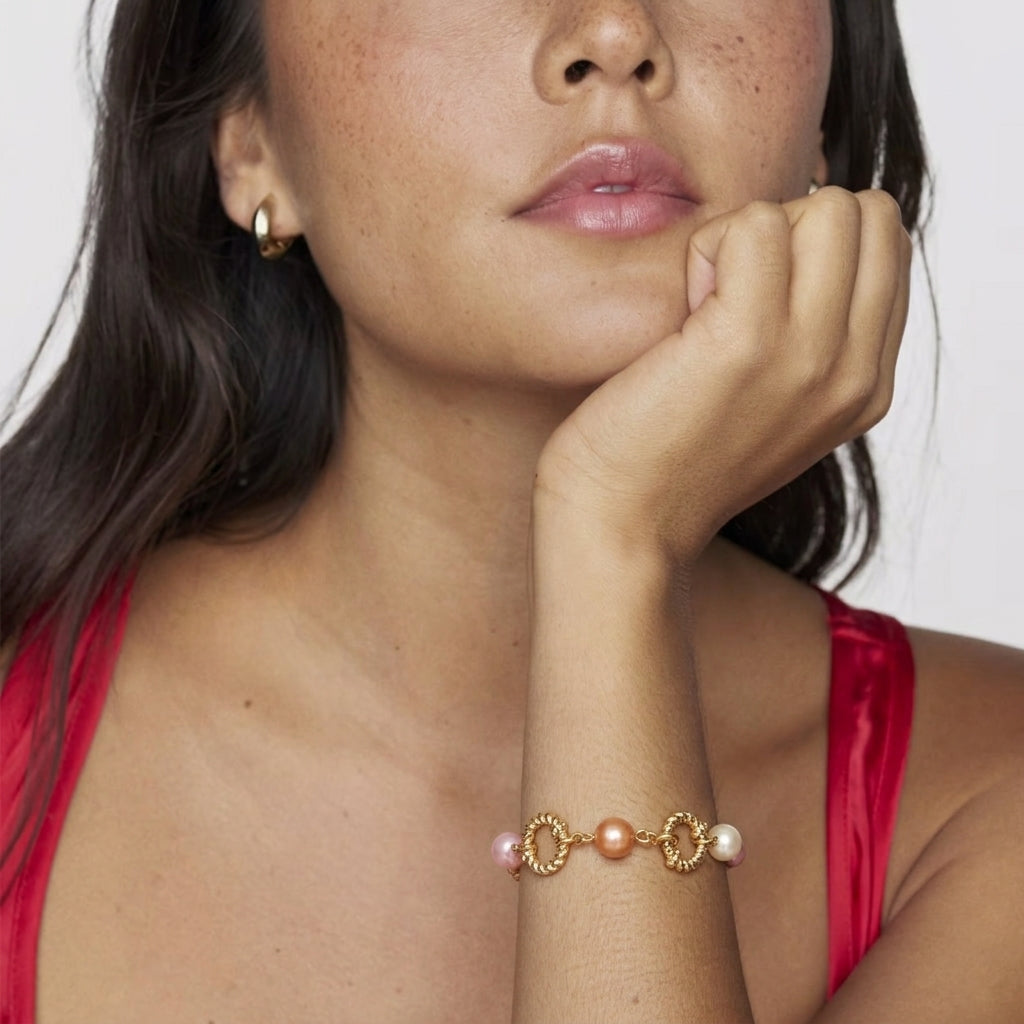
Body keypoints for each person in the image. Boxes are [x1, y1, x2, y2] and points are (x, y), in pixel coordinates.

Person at [2, 1, 1022, 1021]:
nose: (614, 33)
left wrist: (611, 545)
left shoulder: (988, 800)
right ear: (249, 143)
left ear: (824, 111)